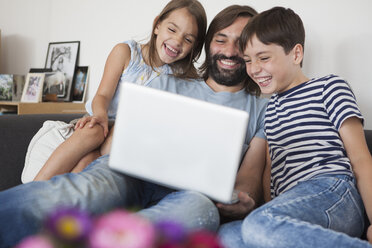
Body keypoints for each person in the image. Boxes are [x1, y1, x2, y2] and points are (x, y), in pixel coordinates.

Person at [0, 5, 268, 247]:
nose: (231, 51)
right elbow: (114, 144)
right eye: (221, 40)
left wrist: (243, 201)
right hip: (127, 174)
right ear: (208, 44)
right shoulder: (168, 80)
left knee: (198, 213)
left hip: (194, 196)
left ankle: (105, 237)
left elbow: (249, 179)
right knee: (81, 193)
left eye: (241, 44)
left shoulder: (261, 109)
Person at [218, 6, 372, 247]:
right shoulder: (270, 109)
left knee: (260, 223)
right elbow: (271, 173)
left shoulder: (329, 87)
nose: (254, 69)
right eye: (248, 60)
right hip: (291, 203)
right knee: (227, 236)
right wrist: (269, 214)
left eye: (264, 57)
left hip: (332, 190)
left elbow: (361, 159)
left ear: (296, 54)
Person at [34, 0, 207, 181]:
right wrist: (100, 116)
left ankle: (60, 201)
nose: (177, 41)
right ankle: (38, 184)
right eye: (172, 30)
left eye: (188, 39)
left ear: (194, 47)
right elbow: (102, 95)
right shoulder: (126, 53)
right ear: (157, 25)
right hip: (101, 120)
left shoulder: (181, 78)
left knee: (88, 161)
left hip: (127, 137)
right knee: (94, 132)